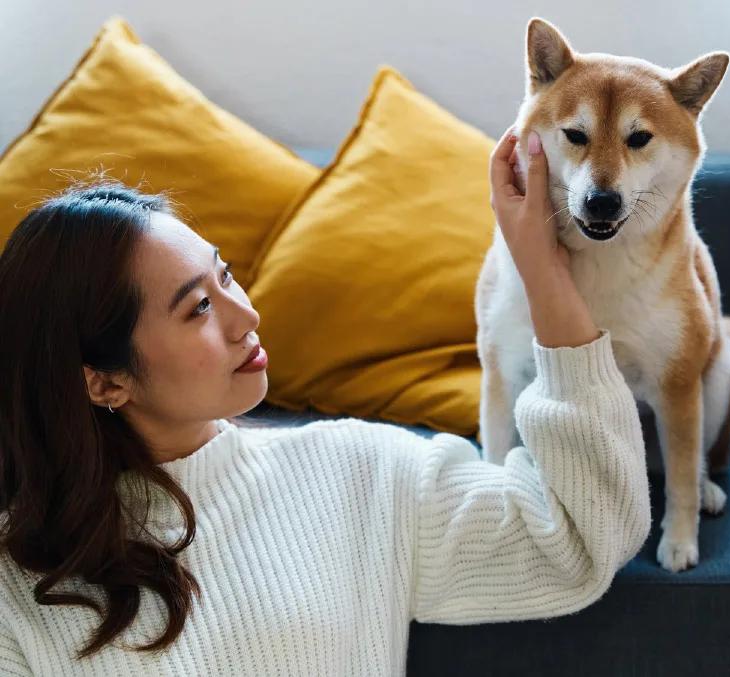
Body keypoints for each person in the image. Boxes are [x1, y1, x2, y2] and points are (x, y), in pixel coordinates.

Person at [0, 126, 652, 675]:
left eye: (225, 276)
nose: (245, 316)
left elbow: (580, 536)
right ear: (105, 382)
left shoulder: (359, 473)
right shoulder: (16, 583)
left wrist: (542, 269)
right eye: (197, 307)